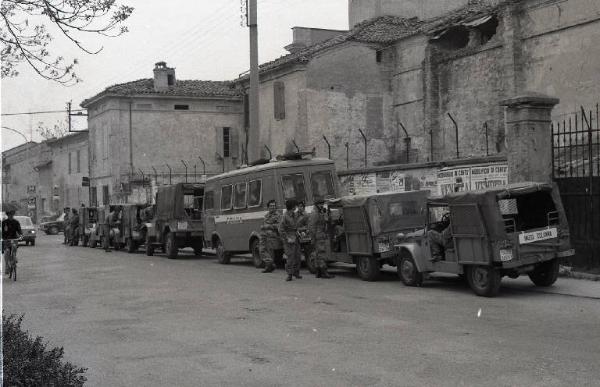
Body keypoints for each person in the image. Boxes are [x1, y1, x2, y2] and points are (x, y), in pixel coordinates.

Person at [308, 199, 335, 279]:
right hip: (318, 236)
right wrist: (314, 237)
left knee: (318, 254)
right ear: (316, 204)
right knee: (321, 254)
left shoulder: (319, 212)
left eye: (322, 204)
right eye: (320, 204)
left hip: (320, 235)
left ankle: (318, 271)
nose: (322, 205)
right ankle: (324, 272)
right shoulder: (315, 213)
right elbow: (312, 227)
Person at [279, 199, 301, 281]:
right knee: (290, 257)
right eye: (295, 205)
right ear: (292, 206)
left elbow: (296, 226)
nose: (296, 207)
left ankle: (296, 272)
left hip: (296, 237)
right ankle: (289, 274)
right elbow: (281, 229)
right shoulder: (285, 216)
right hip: (289, 239)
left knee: (297, 256)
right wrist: (287, 238)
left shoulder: (295, 215)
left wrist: (298, 232)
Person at [259, 200, 281, 273]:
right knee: (261, 250)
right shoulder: (266, 215)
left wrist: (269, 226)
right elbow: (263, 224)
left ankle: (269, 266)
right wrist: (262, 226)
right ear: (268, 207)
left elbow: (279, 226)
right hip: (263, 235)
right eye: (271, 206)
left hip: (271, 235)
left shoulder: (278, 215)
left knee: (269, 251)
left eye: (274, 206)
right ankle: (270, 263)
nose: (273, 207)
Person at [2, 210, 22, 275]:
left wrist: (21, 235)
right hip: (6, 239)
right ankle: (7, 266)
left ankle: (14, 256)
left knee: (14, 246)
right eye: (10, 214)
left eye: (12, 214)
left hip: (14, 238)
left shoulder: (16, 222)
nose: (11, 216)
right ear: (7, 215)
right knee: (7, 251)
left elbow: (19, 230)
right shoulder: (4, 222)